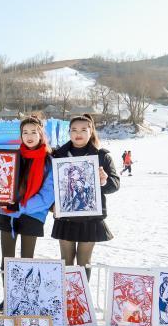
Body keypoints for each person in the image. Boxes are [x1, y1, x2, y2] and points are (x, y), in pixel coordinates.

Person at [0, 116, 54, 313]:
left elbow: (47, 195)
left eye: (33, 132)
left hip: (32, 215)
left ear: (41, 134)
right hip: (8, 214)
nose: (29, 136)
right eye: (25, 132)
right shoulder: (12, 156)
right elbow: (0, 180)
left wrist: (21, 205)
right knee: (6, 259)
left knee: (27, 259)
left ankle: (26, 300)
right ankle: (9, 299)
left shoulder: (48, 161)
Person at [51, 114, 120, 279]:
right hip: (66, 217)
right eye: (74, 129)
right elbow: (49, 186)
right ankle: (66, 300)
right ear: (69, 132)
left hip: (90, 219)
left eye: (83, 129)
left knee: (84, 263)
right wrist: (52, 205)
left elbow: (115, 184)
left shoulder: (102, 156)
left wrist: (103, 181)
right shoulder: (58, 155)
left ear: (91, 131)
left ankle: (82, 302)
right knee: (66, 262)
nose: (78, 133)